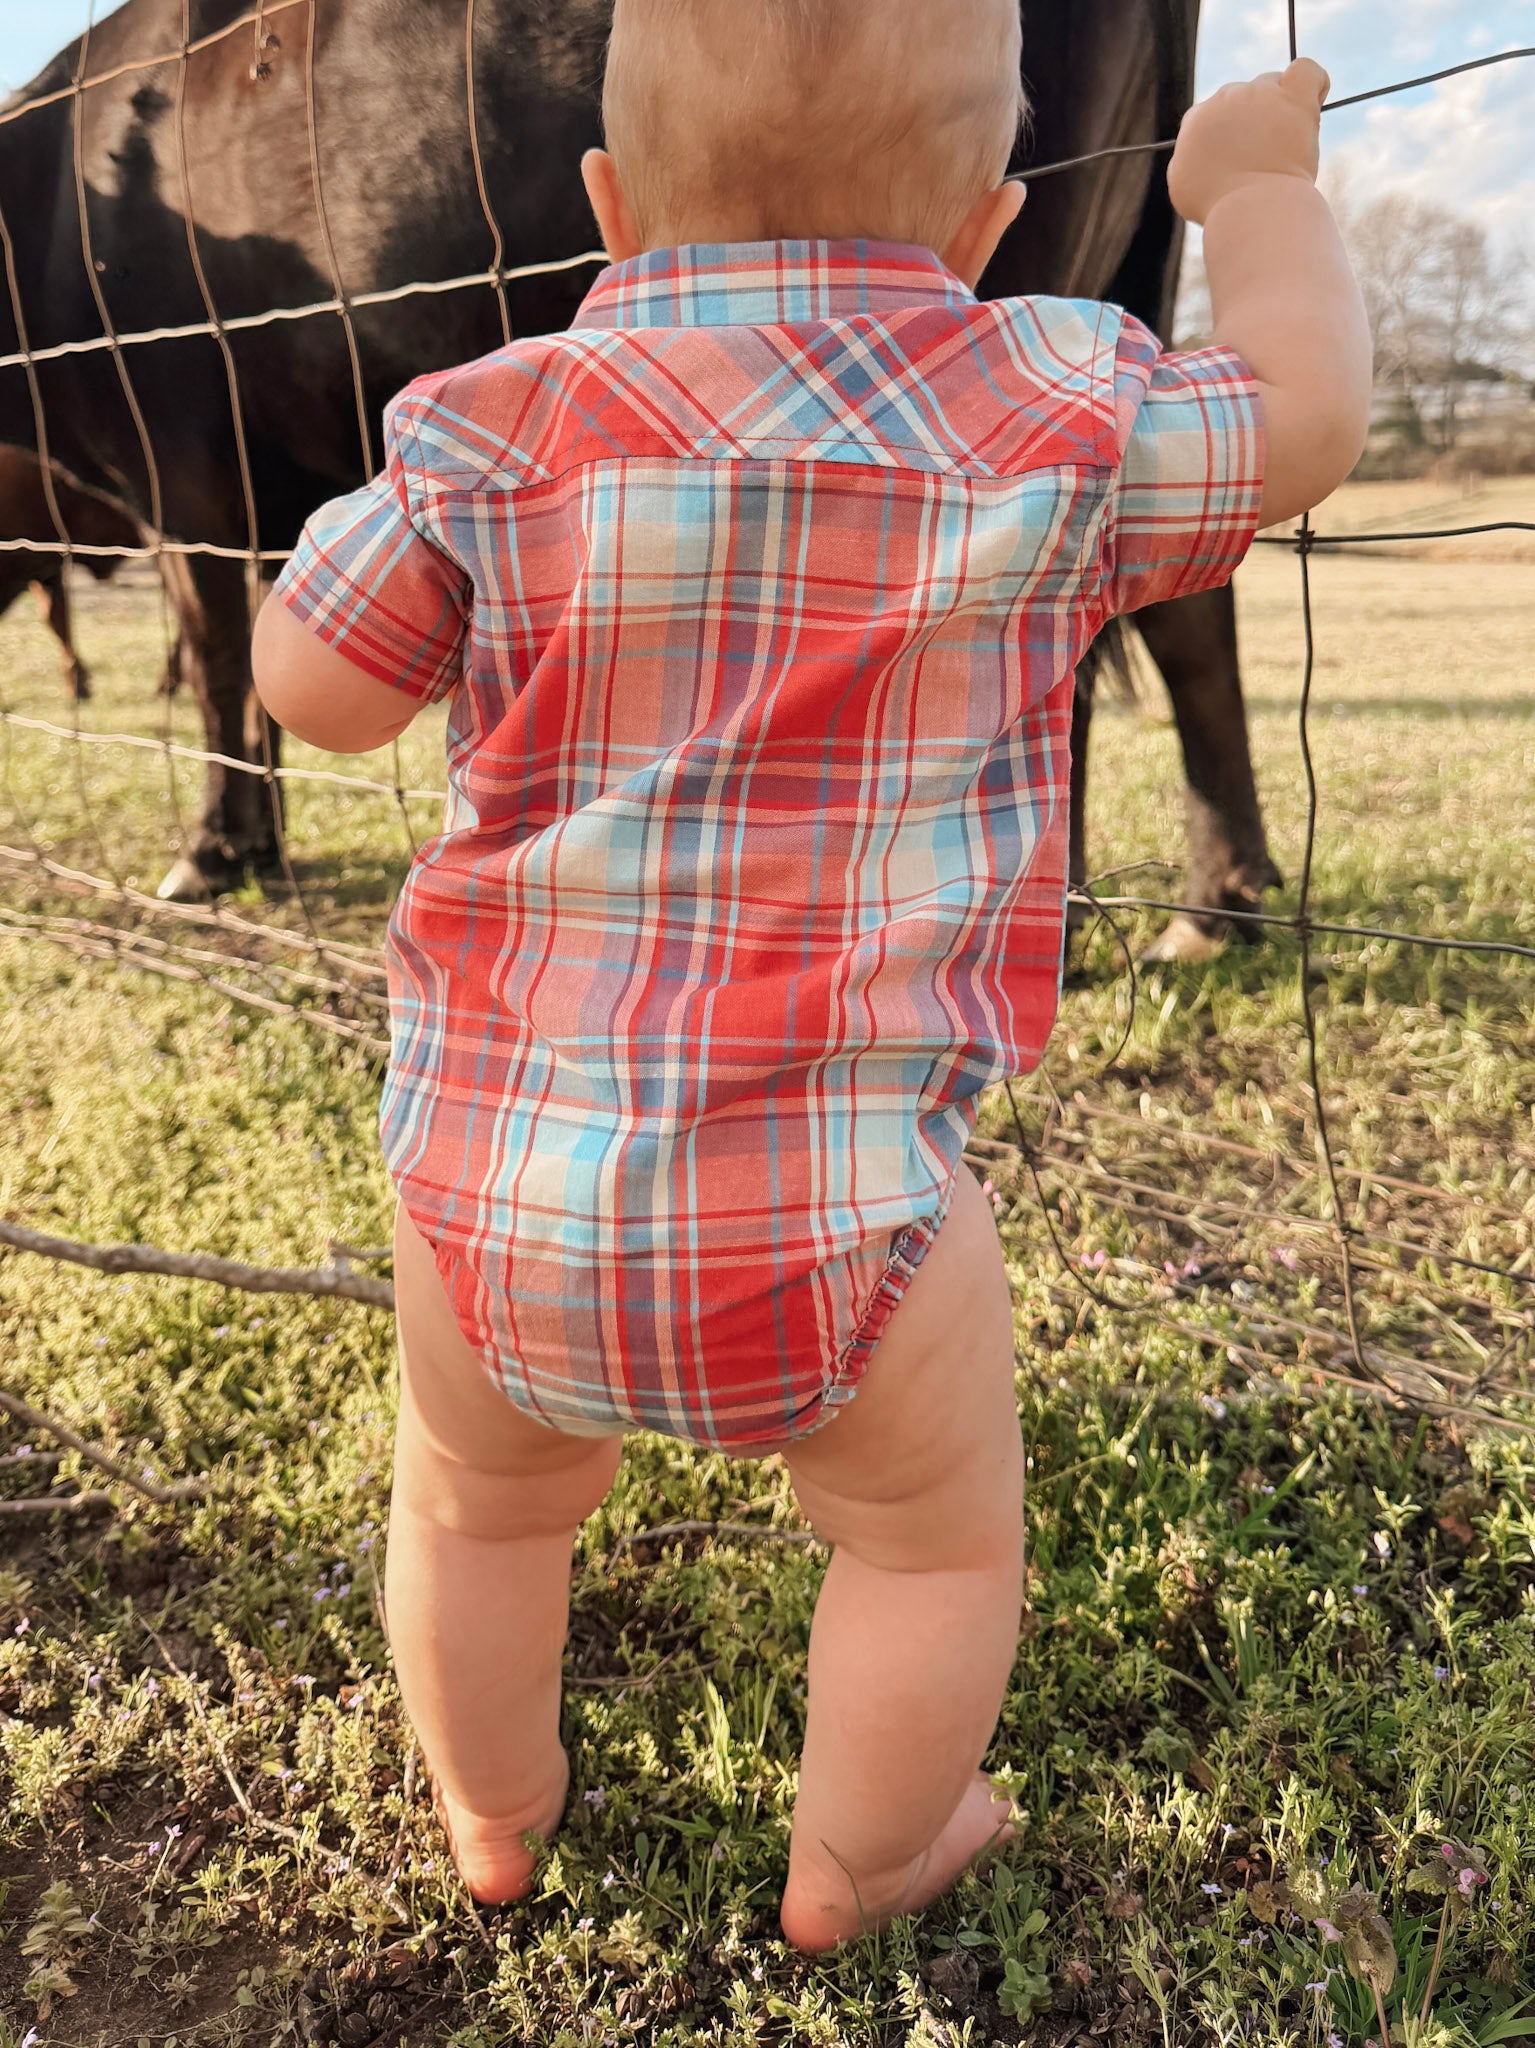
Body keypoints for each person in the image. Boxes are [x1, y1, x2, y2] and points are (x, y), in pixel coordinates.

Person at [251, 0, 1371, 1952]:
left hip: (491, 1197)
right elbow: (1304, 418)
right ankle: (863, 1856)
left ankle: (494, 1807)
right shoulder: (1047, 399)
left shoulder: (486, 425)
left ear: (605, 199)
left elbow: (316, 690)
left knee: (476, 1516)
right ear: (982, 217)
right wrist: (1254, 192)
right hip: (848, 1219)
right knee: (929, 1551)